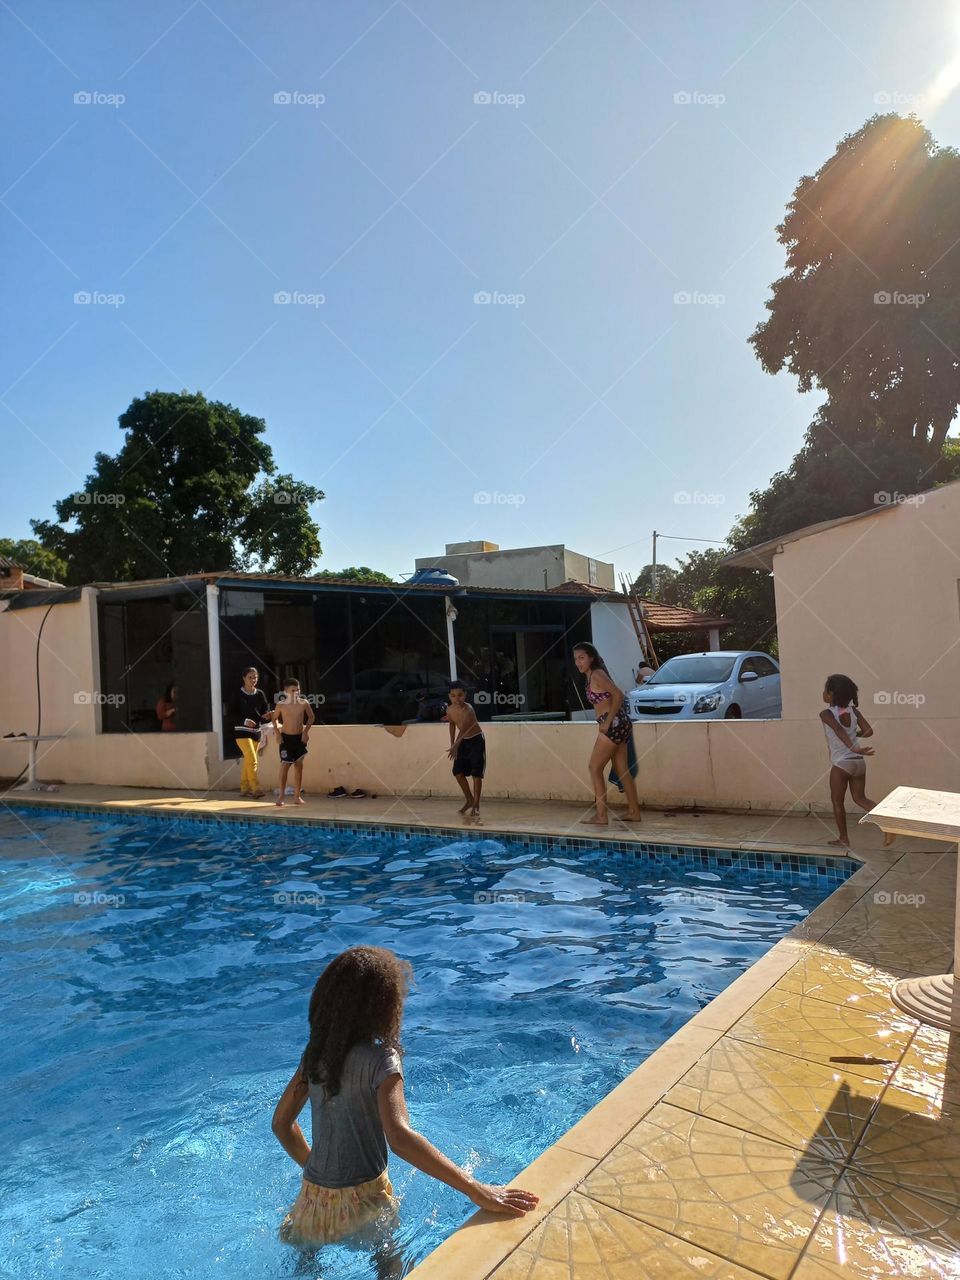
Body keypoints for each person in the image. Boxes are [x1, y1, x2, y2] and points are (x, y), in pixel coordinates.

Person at [272, 946, 539, 1263]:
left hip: (313, 1201)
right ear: (384, 1006)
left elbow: (281, 1125)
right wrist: (475, 1188)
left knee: (307, 1264)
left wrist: (316, 1172)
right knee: (388, 1259)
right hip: (365, 1203)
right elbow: (399, 1137)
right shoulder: (383, 1061)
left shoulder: (315, 1057)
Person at [820, 673, 894, 849]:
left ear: (831, 694)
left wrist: (852, 746)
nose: (823, 693)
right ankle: (888, 824)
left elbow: (838, 729)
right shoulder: (854, 711)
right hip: (859, 762)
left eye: (825, 690)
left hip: (842, 763)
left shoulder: (826, 713)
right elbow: (868, 731)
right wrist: (855, 738)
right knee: (861, 798)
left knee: (837, 802)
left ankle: (843, 838)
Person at [573, 642, 642, 826]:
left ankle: (601, 816)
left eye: (581, 657)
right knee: (622, 770)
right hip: (619, 724)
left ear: (591, 658)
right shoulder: (591, 676)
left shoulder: (597, 674)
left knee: (594, 768)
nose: (578, 662)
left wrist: (608, 721)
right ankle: (634, 812)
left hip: (613, 724)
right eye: (576, 659)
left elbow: (618, 695)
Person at [445, 681, 485, 818]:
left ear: (465, 695)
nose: (457, 699)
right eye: (453, 696)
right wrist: (452, 744)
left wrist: (455, 745)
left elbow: (463, 730)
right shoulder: (449, 710)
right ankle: (469, 799)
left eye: (460, 695)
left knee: (476, 773)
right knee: (457, 772)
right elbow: (451, 725)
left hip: (476, 740)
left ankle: (476, 805)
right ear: (449, 696)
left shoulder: (469, 709)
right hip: (461, 742)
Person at [234, 667, 272, 799]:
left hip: (256, 732)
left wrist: (268, 715)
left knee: (248, 761)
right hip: (241, 732)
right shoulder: (237, 694)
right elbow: (229, 715)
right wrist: (245, 721)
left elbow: (263, 713)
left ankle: (244, 788)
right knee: (252, 760)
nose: (253, 680)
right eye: (250, 677)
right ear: (244, 678)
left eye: (255, 677)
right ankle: (256, 788)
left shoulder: (260, 694)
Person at [275, 677, 315, 807]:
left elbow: (311, 717)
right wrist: (277, 734)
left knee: (299, 767)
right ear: (286, 691)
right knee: (285, 766)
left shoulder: (304, 703)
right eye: (293, 690)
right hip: (286, 738)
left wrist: (305, 732)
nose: (296, 692)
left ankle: (297, 796)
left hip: (299, 738)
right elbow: (274, 719)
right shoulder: (281, 704)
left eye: (298, 690)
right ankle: (281, 795)